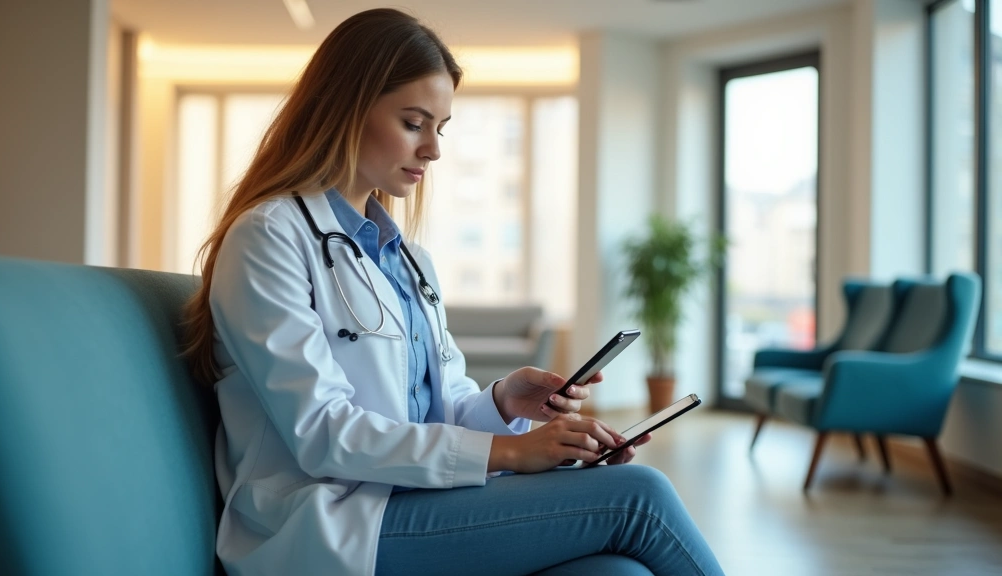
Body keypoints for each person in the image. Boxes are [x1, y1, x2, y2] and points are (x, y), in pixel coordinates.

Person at [183, 8, 724, 576]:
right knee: (639, 496)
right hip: (330, 524)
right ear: (346, 106)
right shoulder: (269, 236)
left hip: (412, 498)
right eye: (414, 123)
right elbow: (321, 432)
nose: (434, 150)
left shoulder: (407, 258)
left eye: (440, 128)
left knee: (620, 568)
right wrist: (511, 452)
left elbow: (433, 409)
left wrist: (502, 405)